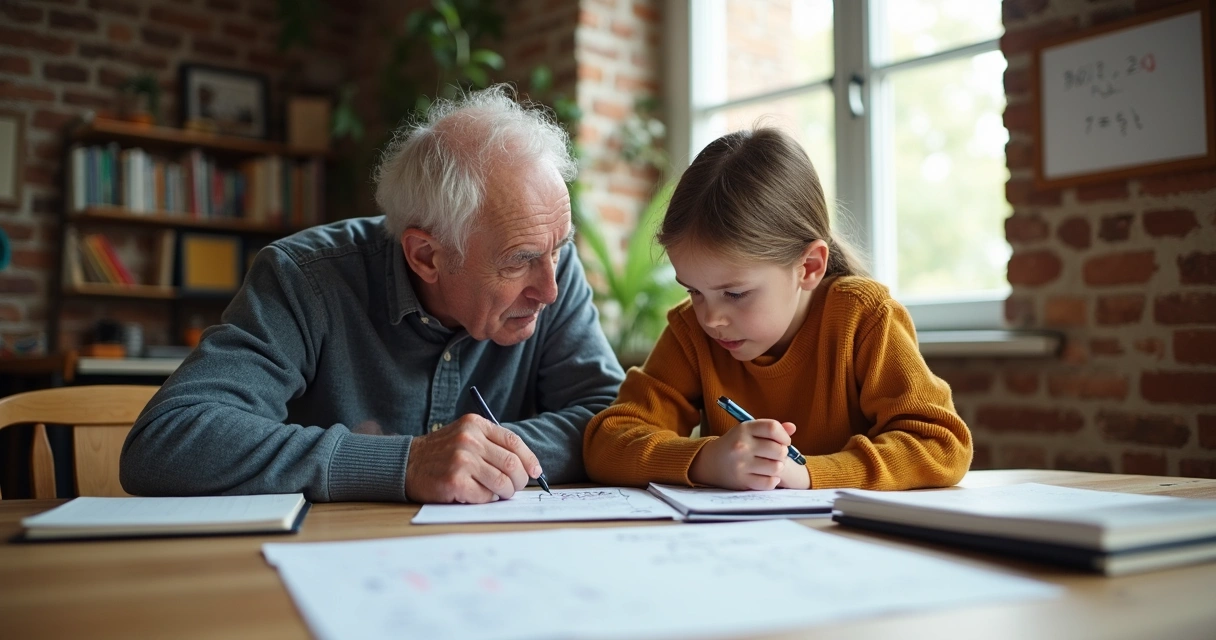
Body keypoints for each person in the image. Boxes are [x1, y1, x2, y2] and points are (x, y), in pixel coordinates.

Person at [121, 85, 624, 504]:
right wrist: (405, 463)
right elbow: (167, 442)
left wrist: (487, 457)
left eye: (557, 248)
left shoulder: (552, 266)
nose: (549, 288)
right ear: (427, 256)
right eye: (517, 260)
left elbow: (613, 421)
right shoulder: (306, 279)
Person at [583, 128, 971, 491]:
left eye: (734, 294)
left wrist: (807, 474)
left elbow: (941, 444)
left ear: (809, 267)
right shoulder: (691, 332)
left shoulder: (864, 317)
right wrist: (706, 459)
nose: (710, 318)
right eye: (694, 291)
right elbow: (607, 440)